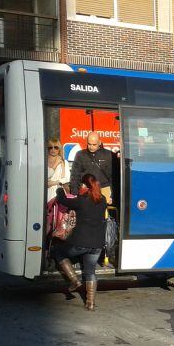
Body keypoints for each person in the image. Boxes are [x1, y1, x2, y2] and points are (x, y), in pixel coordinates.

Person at [52, 173, 107, 311]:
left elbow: (62, 200)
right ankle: (91, 304)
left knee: (58, 252)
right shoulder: (103, 199)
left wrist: (60, 189)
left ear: (85, 186)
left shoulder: (81, 200)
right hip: (97, 244)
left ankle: (75, 281)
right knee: (90, 271)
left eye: (81, 185)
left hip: (80, 242)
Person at [69, 132, 113, 205]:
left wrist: (112, 196)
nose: (91, 146)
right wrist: (75, 194)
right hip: (87, 191)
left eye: (94, 144)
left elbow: (113, 177)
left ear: (99, 142)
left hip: (104, 190)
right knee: (87, 214)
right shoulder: (80, 155)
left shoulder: (108, 155)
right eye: (89, 144)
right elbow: (75, 176)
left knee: (103, 215)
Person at [46, 138, 69, 203]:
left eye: (56, 147)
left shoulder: (64, 162)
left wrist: (50, 183)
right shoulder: (44, 161)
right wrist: (55, 164)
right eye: (50, 147)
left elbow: (66, 179)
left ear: (59, 149)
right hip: (46, 194)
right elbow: (45, 178)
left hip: (59, 193)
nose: (53, 149)